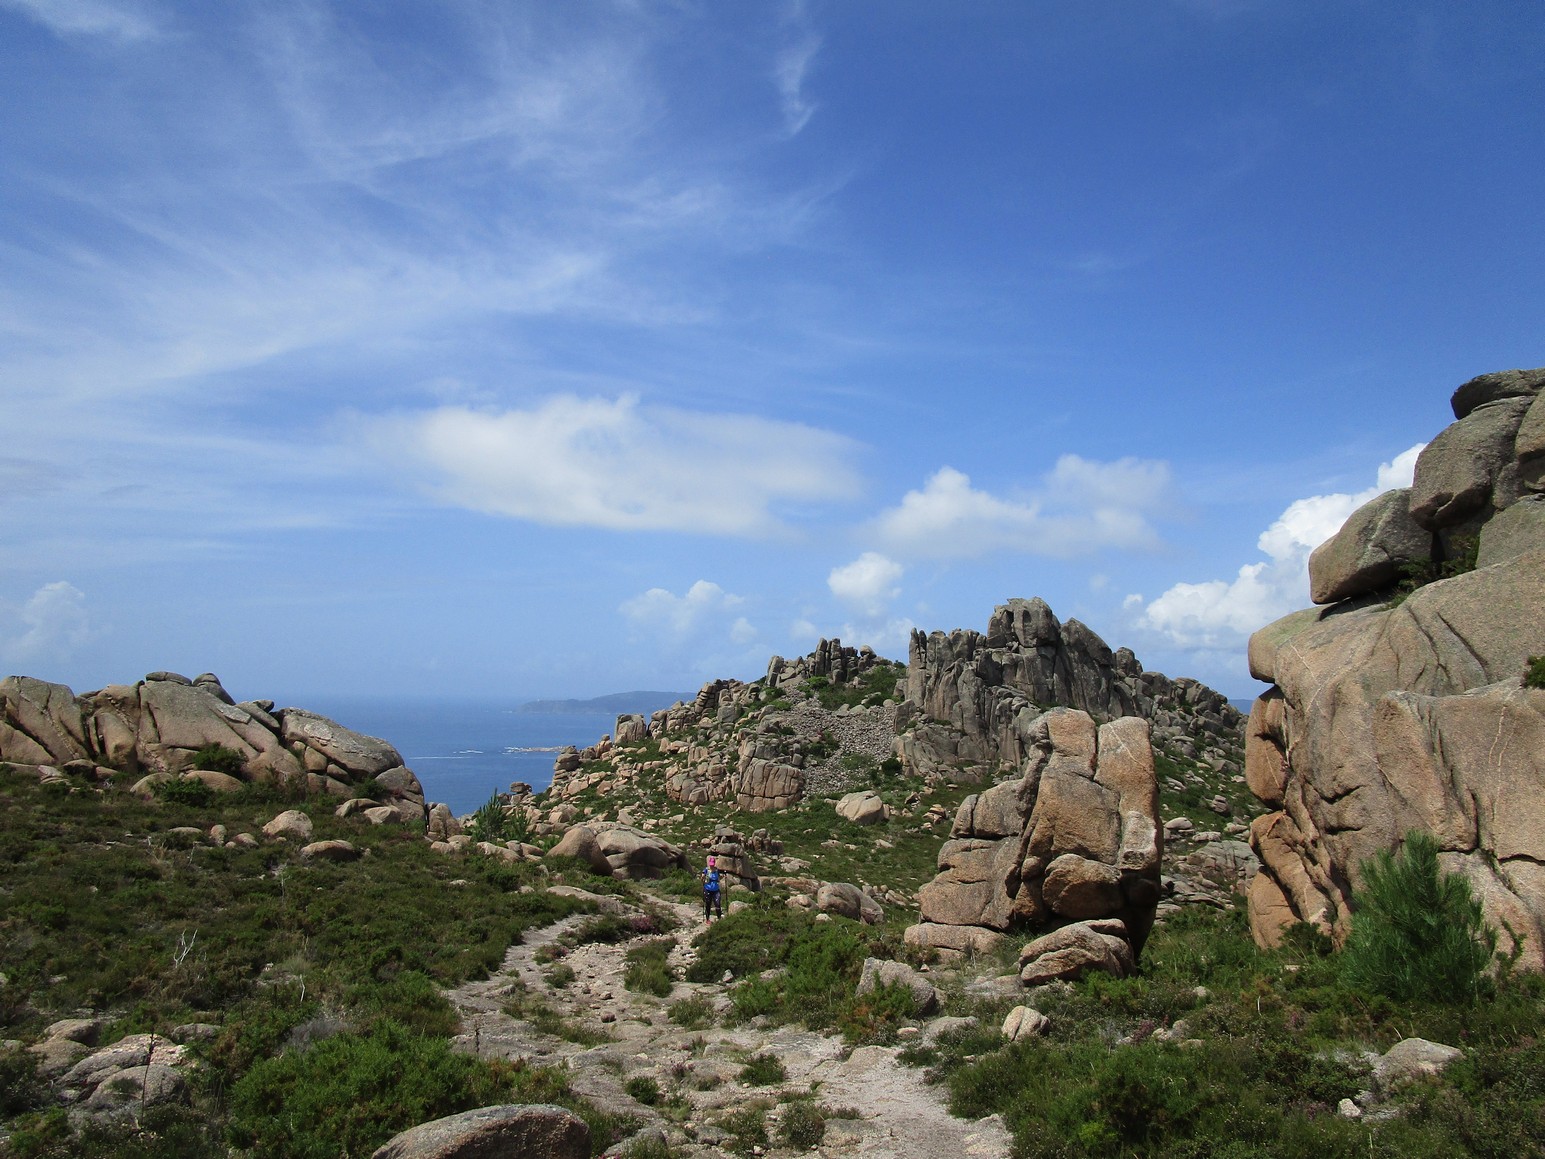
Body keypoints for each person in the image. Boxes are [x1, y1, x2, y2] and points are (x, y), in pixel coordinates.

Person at [701, 855, 722, 923]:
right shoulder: (706, 870)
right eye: (711, 864)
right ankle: (707, 919)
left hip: (716, 890)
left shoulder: (717, 870)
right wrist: (703, 878)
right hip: (708, 889)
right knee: (708, 904)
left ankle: (719, 918)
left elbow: (719, 879)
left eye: (712, 864)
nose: (712, 865)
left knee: (718, 904)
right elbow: (702, 878)